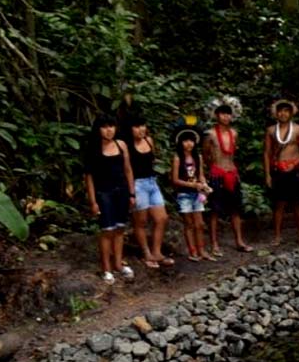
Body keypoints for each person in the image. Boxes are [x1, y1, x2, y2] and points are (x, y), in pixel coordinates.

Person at [83, 114, 136, 284]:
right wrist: (93, 201)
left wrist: (132, 193)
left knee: (120, 228)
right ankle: (106, 268)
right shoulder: (93, 148)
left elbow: (128, 169)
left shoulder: (121, 145)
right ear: (98, 129)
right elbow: (89, 177)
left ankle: (118, 264)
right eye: (105, 127)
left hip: (122, 191)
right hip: (104, 193)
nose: (109, 130)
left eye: (111, 126)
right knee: (107, 230)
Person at [203, 96, 252, 256]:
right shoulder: (210, 134)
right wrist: (208, 174)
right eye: (222, 114)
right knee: (215, 210)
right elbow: (205, 155)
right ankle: (214, 244)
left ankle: (239, 240)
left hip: (232, 173)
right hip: (216, 174)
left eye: (228, 114)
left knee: (236, 209)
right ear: (216, 116)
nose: (225, 117)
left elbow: (233, 154)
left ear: (232, 116)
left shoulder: (234, 133)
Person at [124, 114, 172, 268]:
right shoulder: (127, 145)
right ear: (130, 129)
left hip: (152, 182)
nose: (141, 129)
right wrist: (131, 192)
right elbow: (127, 169)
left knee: (162, 218)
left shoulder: (149, 141)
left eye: (142, 125)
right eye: (137, 126)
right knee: (141, 221)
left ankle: (157, 251)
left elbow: (152, 160)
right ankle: (146, 254)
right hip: (137, 184)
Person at [264, 97, 299, 246]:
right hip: (278, 170)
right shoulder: (271, 130)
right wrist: (268, 174)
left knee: (298, 204)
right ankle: (277, 236)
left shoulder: (298, 129)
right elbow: (267, 152)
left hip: (294, 170)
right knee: (279, 205)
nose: (283, 114)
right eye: (280, 111)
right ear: (276, 113)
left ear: (291, 113)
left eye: (286, 111)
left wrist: (295, 163)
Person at [171, 118, 214, 262]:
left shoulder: (198, 157)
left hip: (197, 193)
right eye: (185, 141)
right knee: (188, 224)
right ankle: (192, 250)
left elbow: (200, 174)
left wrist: (204, 185)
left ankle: (201, 249)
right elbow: (175, 180)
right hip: (184, 194)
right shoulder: (177, 158)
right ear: (180, 142)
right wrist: (192, 185)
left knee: (200, 224)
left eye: (191, 140)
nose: (189, 144)